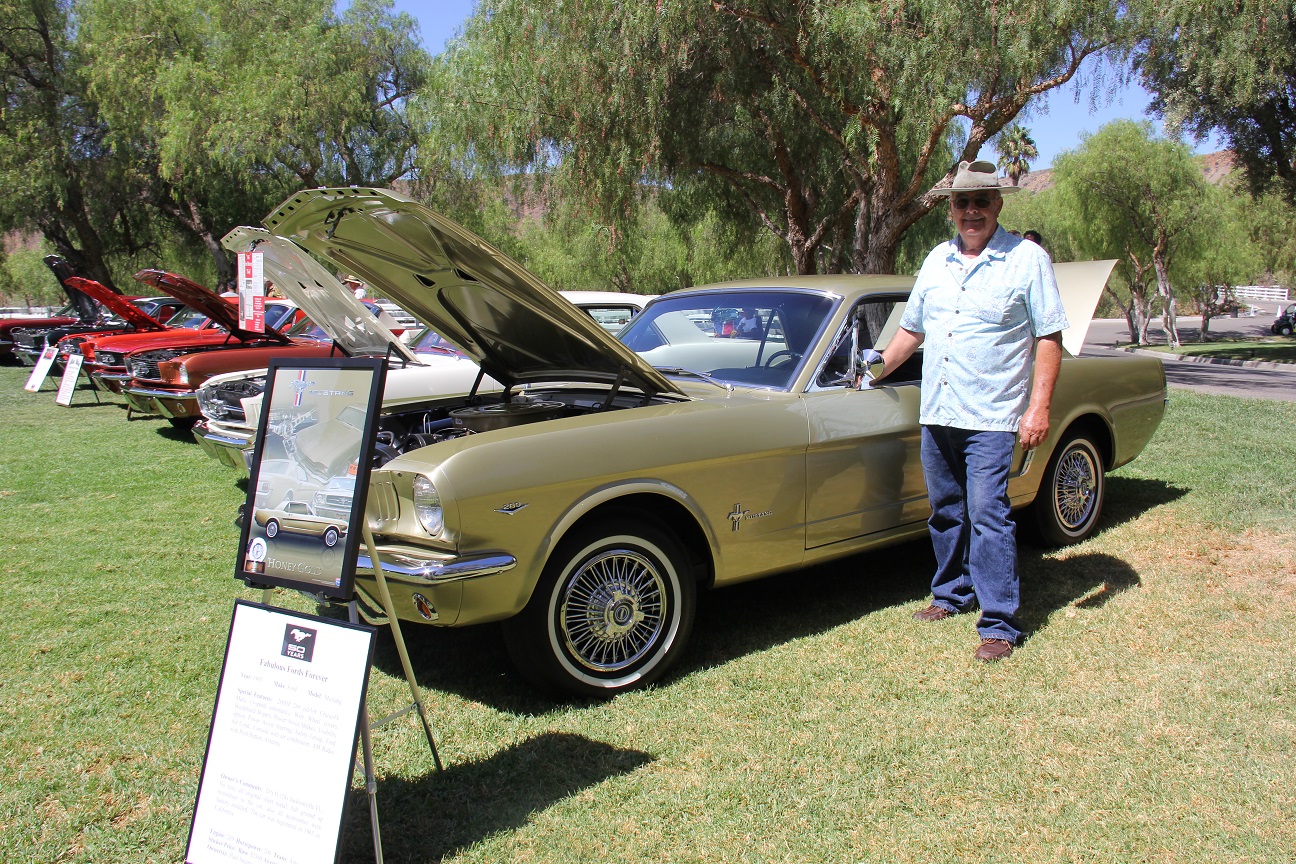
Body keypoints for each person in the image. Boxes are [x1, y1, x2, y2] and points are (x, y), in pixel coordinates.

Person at [867, 159, 1069, 662]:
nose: (971, 210)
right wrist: (875, 370)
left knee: (988, 514)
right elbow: (912, 330)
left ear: (998, 204)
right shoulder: (937, 260)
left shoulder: (1026, 259)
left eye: (981, 200)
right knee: (945, 510)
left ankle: (999, 623)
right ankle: (952, 593)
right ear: (950, 209)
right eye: (962, 202)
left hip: (991, 416)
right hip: (939, 411)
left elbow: (1049, 335)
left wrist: (1038, 408)